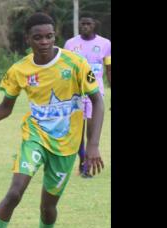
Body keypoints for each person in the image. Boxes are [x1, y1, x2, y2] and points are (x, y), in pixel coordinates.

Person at [0, 12, 104, 228]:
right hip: (35, 137)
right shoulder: (19, 70)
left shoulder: (75, 63)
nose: (44, 41)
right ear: (27, 39)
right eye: (38, 37)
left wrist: (93, 145)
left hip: (67, 146)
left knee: (48, 206)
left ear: (55, 36)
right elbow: (6, 108)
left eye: (49, 36)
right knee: (15, 192)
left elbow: (97, 101)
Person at [64, 14, 111, 178]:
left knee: (92, 132)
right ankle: (83, 160)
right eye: (82, 24)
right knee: (76, 134)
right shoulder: (70, 44)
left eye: (88, 24)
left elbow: (109, 69)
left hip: (95, 94)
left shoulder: (105, 44)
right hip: (75, 93)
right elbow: (65, 69)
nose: (85, 26)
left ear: (94, 25)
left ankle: (86, 166)